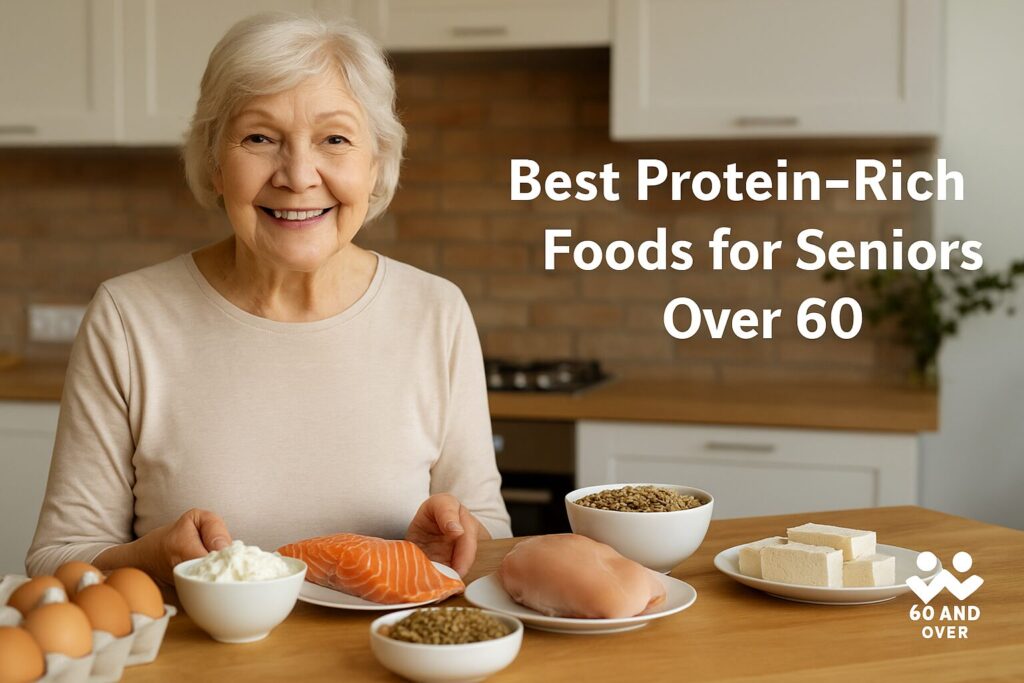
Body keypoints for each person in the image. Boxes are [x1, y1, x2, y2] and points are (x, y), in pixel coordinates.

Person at [26, 12, 510, 584]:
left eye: (335, 139)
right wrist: (149, 560)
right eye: (260, 138)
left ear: (375, 163)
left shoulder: (436, 312)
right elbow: (58, 557)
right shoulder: (129, 318)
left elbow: (488, 535)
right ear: (213, 163)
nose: (299, 175)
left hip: (386, 662)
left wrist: (450, 540)